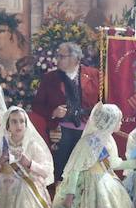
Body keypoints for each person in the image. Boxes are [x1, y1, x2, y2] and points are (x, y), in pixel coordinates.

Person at [31, 42, 101, 177]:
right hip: (61, 129)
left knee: (85, 170)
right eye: (58, 55)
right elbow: (37, 105)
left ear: (75, 58)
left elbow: (102, 102)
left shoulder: (94, 75)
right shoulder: (49, 78)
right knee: (62, 169)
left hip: (88, 129)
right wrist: (53, 112)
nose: (57, 59)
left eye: (61, 56)